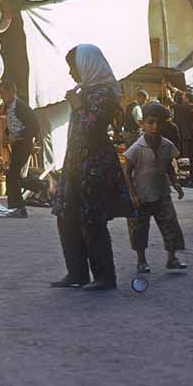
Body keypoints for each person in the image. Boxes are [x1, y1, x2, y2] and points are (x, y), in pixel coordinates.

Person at [51, 44, 135, 291]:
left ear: (86, 65)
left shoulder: (105, 93)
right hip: (76, 163)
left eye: (73, 67)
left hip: (95, 165)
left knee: (92, 219)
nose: (71, 73)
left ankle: (104, 277)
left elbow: (93, 127)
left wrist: (77, 105)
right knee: (66, 216)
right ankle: (76, 273)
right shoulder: (87, 91)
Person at [124, 102, 188, 274]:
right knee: (138, 229)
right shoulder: (137, 148)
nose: (155, 127)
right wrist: (133, 194)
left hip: (161, 194)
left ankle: (172, 258)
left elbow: (168, 166)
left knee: (170, 225)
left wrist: (176, 184)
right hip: (141, 195)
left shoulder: (167, 145)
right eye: (150, 122)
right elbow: (127, 171)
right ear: (142, 123)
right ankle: (141, 260)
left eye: (159, 123)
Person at [0, 79, 41, 218]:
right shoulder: (8, 106)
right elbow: (12, 124)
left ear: (11, 92)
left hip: (24, 144)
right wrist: (7, 135)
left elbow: (34, 126)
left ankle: (19, 207)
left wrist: (18, 136)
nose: (1, 97)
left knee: (12, 175)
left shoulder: (21, 106)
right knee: (13, 175)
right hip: (16, 145)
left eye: (3, 93)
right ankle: (16, 207)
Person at [174, 89, 193, 188]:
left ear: (187, 98)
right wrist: (171, 87)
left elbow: (176, 106)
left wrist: (169, 97)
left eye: (184, 96)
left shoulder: (188, 107)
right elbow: (181, 93)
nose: (182, 97)